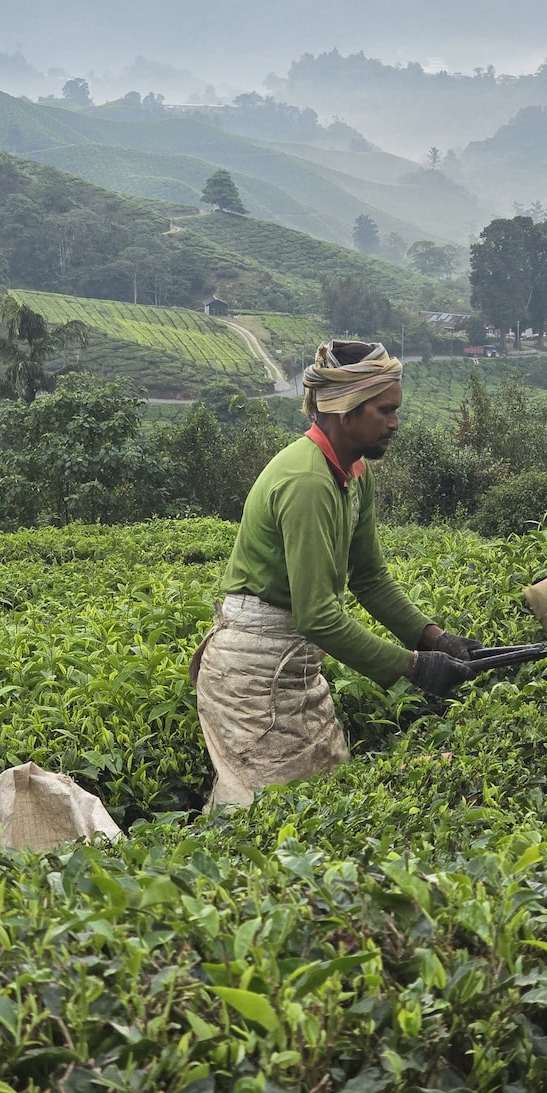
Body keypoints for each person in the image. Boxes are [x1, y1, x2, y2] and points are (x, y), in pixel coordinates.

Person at [193, 339, 487, 809]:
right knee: (267, 813)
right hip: (253, 671)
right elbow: (318, 616)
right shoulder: (307, 482)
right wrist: (413, 667)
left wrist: (436, 639)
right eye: (385, 411)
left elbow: (369, 578)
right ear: (346, 411)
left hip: (296, 663)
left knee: (318, 806)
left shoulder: (354, 472)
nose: (395, 423)